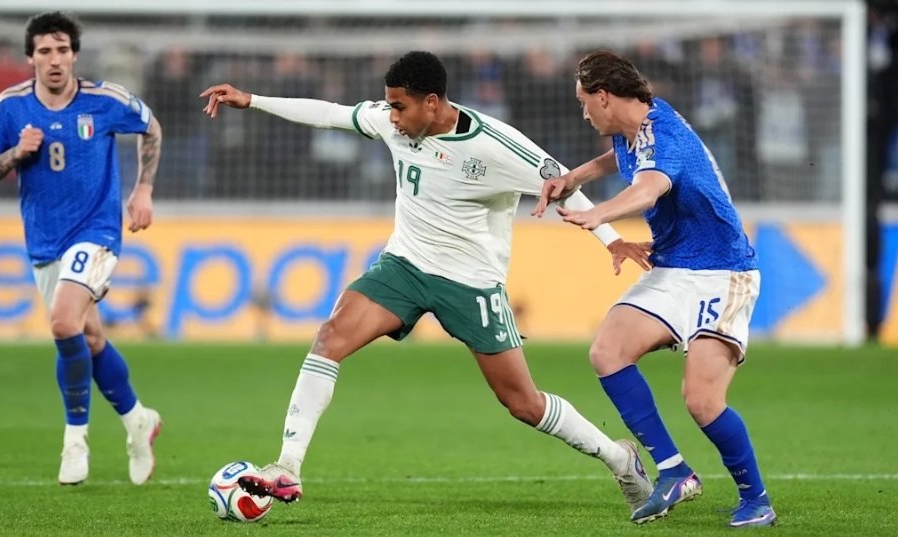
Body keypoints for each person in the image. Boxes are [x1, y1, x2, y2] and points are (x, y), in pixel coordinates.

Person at [199, 50, 655, 514]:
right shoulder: (392, 121)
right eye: (390, 106)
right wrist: (252, 100)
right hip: (405, 265)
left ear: (432, 102)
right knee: (330, 338)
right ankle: (288, 466)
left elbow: (564, 184)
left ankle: (619, 458)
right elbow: (331, 114)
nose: (392, 117)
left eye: (400, 107)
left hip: (470, 282)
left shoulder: (495, 145)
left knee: (522, 402)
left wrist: (613, 239)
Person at [533, 49, 776, 528]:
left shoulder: (664, 136)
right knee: (608, 351)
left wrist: (598, 214)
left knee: (702, 400)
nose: (583, 112)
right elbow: (621, 157)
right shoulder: (634, 127)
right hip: (672, 267)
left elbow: (648, 188)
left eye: (584, 101)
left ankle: (757, 499)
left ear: (604, 96)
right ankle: (674, 471)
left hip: (722, 271)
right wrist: (574, 177)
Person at [0, 11, 163, 486]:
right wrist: (16, 153)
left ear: (74, 55)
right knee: (88, 338)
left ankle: (75, 441)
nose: (54, 59)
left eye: (62, 50)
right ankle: (138, 419)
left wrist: (143, 190)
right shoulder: (11, 108)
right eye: (44, 51)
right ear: (31, 58)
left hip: (97, 233)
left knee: (61, 323)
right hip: (44, 242)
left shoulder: (104, 100)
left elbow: (151, 127)